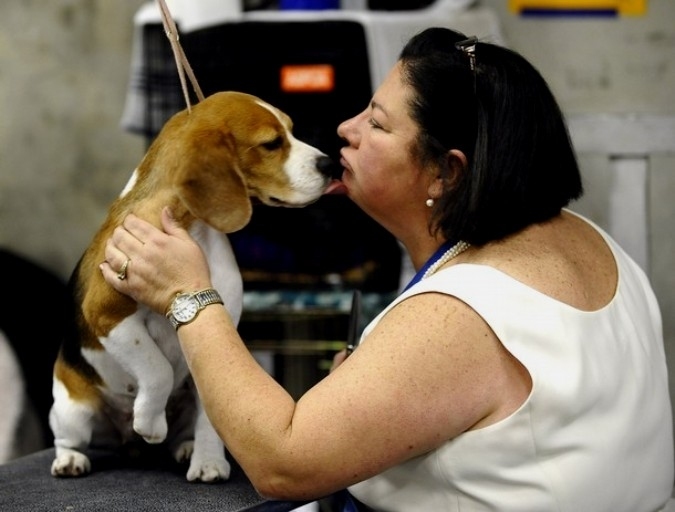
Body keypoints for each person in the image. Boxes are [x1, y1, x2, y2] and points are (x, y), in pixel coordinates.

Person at [100, 27, 674, 511]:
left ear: (446, 173)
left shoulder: (462, 317)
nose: (346, 129)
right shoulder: (591, 240)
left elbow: (283, 464)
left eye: (376, 124)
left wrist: (189, 298)